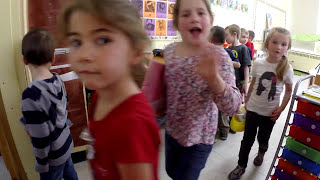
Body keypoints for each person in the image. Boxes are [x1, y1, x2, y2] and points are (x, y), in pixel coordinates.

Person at [59, 0, 161, 179]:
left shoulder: (133, 124)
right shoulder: (100, 95)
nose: (84, 55)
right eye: (76, 41)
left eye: (103, 39)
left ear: (136, 51)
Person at [161, 0, 242, 179]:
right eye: (186, 14)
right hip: (172, 132)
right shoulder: (170, 52)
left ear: (210, 20)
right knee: (171, 172)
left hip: (199, 139)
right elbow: (167, 92)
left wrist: (214, 79)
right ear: (176, 23)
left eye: (201, 13)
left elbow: (234, 106)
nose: (194, 19)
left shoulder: (219, 56)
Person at [228, 27, 293, 180]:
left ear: (288, 48)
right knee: (247, 140)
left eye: (283, 44)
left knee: (263, 139)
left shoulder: (287, 68)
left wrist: (281, 109)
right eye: (275, 42)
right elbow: (253, 84)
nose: (278, 47)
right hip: (252, 110)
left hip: (269, 114)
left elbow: (289, 91)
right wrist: (247, 102)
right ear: (267, 44)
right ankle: (241, 166)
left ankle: (261, 152)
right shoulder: (258, 63)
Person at [20, 28, 78, 180]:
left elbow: (40, 137)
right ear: (53, 58)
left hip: (51, 157)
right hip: (65, 144)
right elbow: (62, 110)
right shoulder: (58, 80)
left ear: (24, 60)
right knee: (70, 174)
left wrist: (41, 163)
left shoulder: (31, 95)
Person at [209, 25, 240, 140]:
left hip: (225, 86)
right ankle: (217, 129)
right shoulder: (208, 53)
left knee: (223, 112)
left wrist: (225, 62)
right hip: (214, 87)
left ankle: (224, 130)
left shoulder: (227, 52)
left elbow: (238, 64)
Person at [225, 24, 252, 97]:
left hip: (240, 81)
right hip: (231, 81)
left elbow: (246, 66)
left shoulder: (243, 48)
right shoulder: (228, 49)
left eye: (226, 35)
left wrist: (246, 82)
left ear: (234, 34)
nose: (225, 37)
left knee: (239, 100)